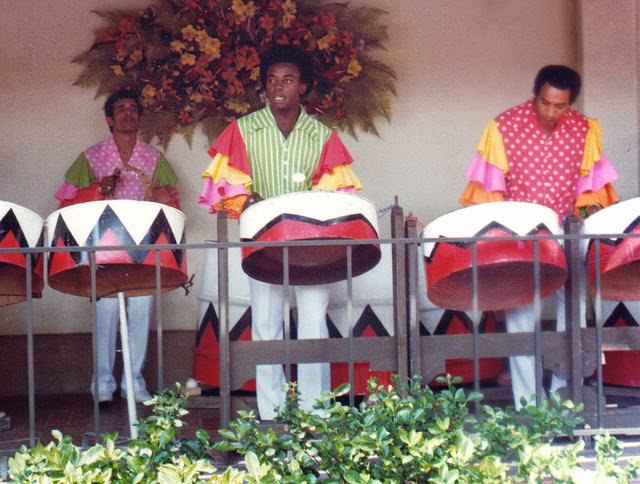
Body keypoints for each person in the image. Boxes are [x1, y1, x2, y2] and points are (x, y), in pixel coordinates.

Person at [199, 44, 361, 419]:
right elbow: (226, 193)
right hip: (263, 244)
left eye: (288, 80)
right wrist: (246, 201)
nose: (278, 87)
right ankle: (271, 412)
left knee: (312, 321)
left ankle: (314, 410)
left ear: (303, 86)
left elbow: (338, 197)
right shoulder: (242, 130)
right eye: (272, 80)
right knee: (266, 323)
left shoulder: (321, 136)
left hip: (312, 246)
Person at [459, 65, 620, 408]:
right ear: (535, 95)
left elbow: (591, 190)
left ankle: (567, 397)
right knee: (520, 317)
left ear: (570, 103)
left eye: (559, 106)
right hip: (520, 234)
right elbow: (491, 192)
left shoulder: (585, 129)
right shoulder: (503, 127)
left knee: (573, 311)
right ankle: (530, 406)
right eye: (544, 103)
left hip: (567, 231)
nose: (550, 112)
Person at [55, 89, 180, 403]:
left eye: (133, 108)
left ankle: (134, 382)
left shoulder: (153, 158)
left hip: (142, 246)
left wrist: (164, 198)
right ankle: (103, 384)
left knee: (141, 307)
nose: (128, 113)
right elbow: (66, 202)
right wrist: (100, 188)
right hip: (104, 247)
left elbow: (170, 200)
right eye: (120, 109)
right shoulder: (92, 156)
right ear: (109, 119)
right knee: (106, 309)